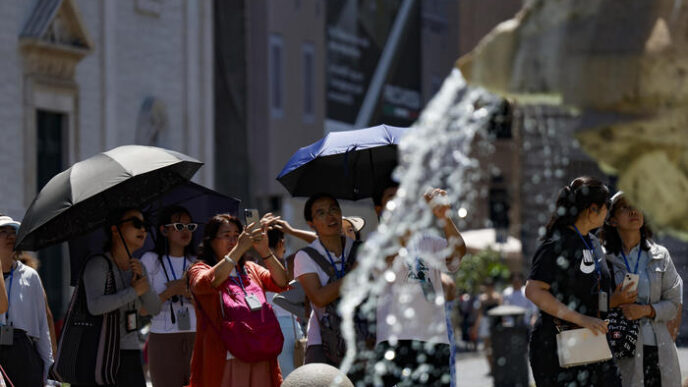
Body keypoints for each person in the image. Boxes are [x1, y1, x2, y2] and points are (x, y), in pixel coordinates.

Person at [525, 176, 621, 386]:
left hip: (593, 341)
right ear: (593, 209)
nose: (608, 212)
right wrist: (581, 319)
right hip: (557, 345)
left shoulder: (594, 241)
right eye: (607, 206)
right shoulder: (556, 241)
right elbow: (533, 290)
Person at [373, 187, 467, 386]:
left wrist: (445, 217)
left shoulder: (428, 240)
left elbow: (458, 252)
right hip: (394, 339)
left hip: (434, 339)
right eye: (392, 199)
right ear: (380, 209)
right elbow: (385, 262)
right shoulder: (378, 242)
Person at [188, 214, 288, 387]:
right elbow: (210, 281)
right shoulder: (199, 268)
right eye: (226, 235)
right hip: (225, 357)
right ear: (211, 241)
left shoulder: (249, 268)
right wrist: (238, 249)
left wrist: (264, 250)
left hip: (259, 351)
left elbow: (282, 282)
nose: (233, 240)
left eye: (237, 235)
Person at [600, 191, 682, 386]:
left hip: (659, 349)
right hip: (620, 348)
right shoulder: (602, 258)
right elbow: (588, 301)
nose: (634, 211)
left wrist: (646, 310)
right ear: (612, 220)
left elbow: (674, 302)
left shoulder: (661, 255)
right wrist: (614, 301)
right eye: (626, 208)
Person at [79, 208, 162, 387]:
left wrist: (143, 283)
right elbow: (95, 306)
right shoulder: (98, 264)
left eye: (145, 225)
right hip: (101, 352)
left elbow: (155, 308)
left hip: (131, 351)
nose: (143, 230)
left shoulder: (138, 267)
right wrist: (133, 291)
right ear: (115, 230)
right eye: (136, 224)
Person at [293, 193, 359, 366]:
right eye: (321, 213)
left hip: (364, 338)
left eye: (333, 209)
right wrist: (356, 273)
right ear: (311, 224)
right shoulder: (305, 256)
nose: (330, 216)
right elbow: (319, 298)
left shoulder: (361, 249)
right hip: (323, 342)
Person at [140, 205, 197, 386]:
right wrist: (170, 291)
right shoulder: (150, 260)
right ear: (164, 230)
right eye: (179, 226)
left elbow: (209, 308)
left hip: (195, 335)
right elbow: (142, 310)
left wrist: (188, 294)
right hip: (162, 337)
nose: (186, 231)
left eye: (190, 226)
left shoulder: (197, 262)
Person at [0, 215, 48, 386]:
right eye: (3, 231)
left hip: (25, 355)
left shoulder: (30, 276)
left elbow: (43, 325)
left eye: (13, 232)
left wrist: (49, 369)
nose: (10, 236)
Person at [263, 226, 305, 377]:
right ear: (282, 243)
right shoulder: (293, 263)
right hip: (288, 326)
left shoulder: (251, 265)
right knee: (293, 378)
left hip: (261, 326)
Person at [471, 278, 502, 375]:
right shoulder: (481, 299)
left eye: (491, 286)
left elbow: (502, 310)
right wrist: (476, 328)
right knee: (487, 348)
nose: (489, 288)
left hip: (497, 323)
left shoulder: (498, 297)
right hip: (485, 323)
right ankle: (491, 368)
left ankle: (498, 367)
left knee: (497, 347)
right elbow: (480, 315)